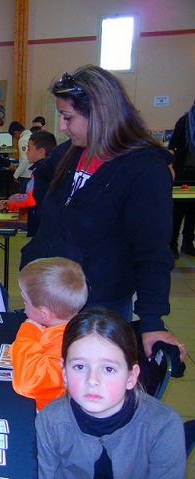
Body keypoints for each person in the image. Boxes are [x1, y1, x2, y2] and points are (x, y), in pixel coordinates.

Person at [21, 65, 186, 362]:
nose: (62, 127)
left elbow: (151, 252)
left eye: (68, 117)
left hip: (97, 304)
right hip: (48, 296)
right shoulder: (71, 152)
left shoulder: (143, 170)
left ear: (100, 114)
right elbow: (45, 177)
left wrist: (152, 322)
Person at [36, 308, 185, 478]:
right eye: (80, 366)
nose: (92, 380)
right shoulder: (50, 420)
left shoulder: (163, 425)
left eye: (108, 369)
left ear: (131, 377)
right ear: (64, 373)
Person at [11, 257, 88, 411]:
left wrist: (28, 333)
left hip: (51, 415)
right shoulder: (75, 326)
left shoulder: (64, 345)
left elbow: (28, 383)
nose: (24, 306)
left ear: (44, 314)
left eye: (25, 302)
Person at [0, 130, 57, 236]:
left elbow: (30, 198)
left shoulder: (41, 171)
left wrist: (11, 202)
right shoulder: (49, 168)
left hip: (40, 222)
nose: (26, 153)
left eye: (29, 149)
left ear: (41, 151)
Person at [169, 100, 195, 258]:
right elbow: (171, 146)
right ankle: (172, 244)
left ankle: (188, 244)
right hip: (184, 174)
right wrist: (170, 166)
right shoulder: (184, 121)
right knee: (178, 211)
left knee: (193, 211)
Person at [9, 121, 33, 193]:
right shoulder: (32, 136)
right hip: (32, 174)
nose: (15, 138)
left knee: (24, 196)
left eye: (13, 136)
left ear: (16, 132)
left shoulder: (22, 140)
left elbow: (25, 159)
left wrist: (16, 174)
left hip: (26, 175)